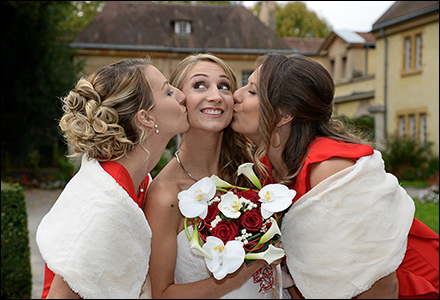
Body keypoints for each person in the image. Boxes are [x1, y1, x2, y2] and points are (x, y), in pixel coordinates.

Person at [231, 53, 439, 299]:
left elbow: (379, 286)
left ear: (284, 114)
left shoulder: (330, 171)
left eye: (252, 91)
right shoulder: (268, 166)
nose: (236, 94)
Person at [36, 57, 190, 299]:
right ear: (145, 118)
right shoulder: (107, 204)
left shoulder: (134, 181)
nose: (182, 96)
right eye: (169, 92)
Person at [143, 53, 280, 298]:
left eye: (224, 86)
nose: (215, 96)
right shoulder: (165, 194)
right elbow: (161, 294)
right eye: (199, 85)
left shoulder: (255, 175)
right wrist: (239, 275)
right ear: (179, 100)